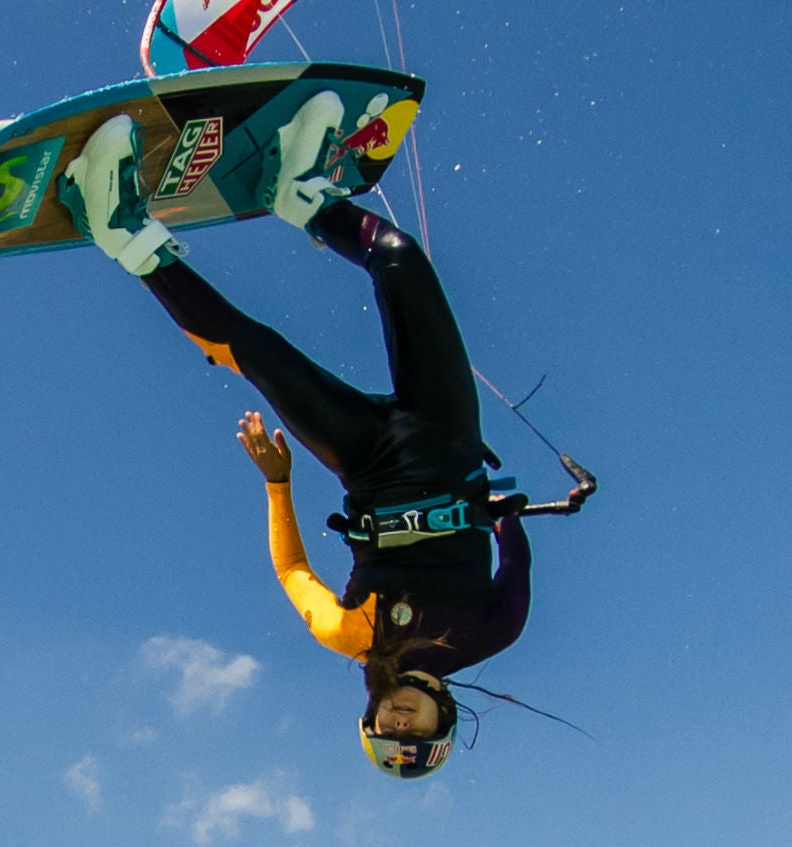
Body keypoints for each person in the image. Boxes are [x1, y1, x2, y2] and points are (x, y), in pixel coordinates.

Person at [56, 92, 591, 779]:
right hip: (447, 435)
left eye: (385, 731)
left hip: (366, 462)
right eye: (414, 733)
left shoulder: (349, 633)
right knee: (400, 259)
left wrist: (278, 484)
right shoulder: (494, 629)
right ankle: (302, 195)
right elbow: (514, 550)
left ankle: (118, 229)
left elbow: (293, 572)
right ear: (442, 719)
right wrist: (501, 518)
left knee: (254, 350)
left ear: (368, 718)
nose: (399, 723)